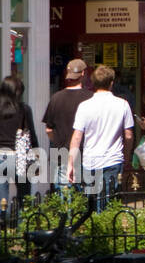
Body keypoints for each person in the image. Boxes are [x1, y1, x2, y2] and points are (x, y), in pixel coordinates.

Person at [67, 65, 135, 209]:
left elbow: (77, 137)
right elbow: (128, 135)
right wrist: (127, 156)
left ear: (93, 83)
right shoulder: (122, 105)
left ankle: (95, 229)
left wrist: (70, 164)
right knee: (109, 204)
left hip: (90, 160)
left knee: (91, 205)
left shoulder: (84, 106)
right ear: (111, 83)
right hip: (113, 160)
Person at [41, 58, 92, 187]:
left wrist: (58, 142)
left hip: (61, 156)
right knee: (86, 201)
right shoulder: (91, 98)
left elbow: (48, 129)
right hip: (86, 155)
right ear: (83, 74)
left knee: (64, 200)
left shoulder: (56, 98)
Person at [0, 77, 33, 209]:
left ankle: (2, 224)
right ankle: (22, 223)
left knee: (2, 195)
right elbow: (31, 135)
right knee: (24, 194)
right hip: (19, 156)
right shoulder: (24, 109)